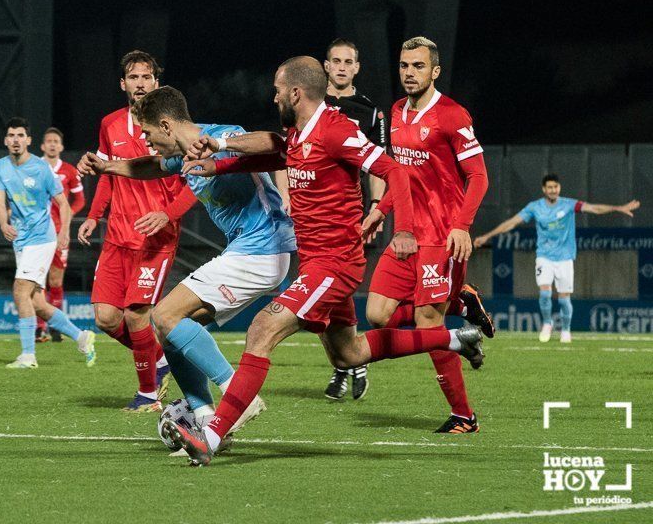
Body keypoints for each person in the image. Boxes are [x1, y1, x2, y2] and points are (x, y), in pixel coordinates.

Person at [165, 56, 485, 466]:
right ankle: (456, 338)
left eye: (278, 89)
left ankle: (210, 436)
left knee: (263, 330)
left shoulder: (335, 130)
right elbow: (277, 154)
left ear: (295, 93)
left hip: (334, 264)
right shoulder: (297, 132)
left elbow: (394, 170)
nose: (274, 95)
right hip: (316, 262)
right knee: (348, 354)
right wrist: (218, 160)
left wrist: (402, 229)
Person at [78, 85, 296, 439]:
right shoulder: (182, 153)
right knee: (170, 332)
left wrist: (222, 147)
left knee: (161, 314)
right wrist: (109, 167)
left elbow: (274, 144)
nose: (147, 141)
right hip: (251, 252)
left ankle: (240, 395)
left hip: (262, 249)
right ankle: (204, 417)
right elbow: (152, 166)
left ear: (166, 125)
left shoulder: (219, 135)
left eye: (148, 133)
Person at [359, 36, 491, 434]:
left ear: (434, 71)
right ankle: (460, 305)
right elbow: (403, 178)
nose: (409, 73)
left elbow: (479, 177)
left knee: (426, 324)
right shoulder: (396, 112)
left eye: (418, 66)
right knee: (376, 314)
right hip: (406, 234)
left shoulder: (452, 115)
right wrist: (380, 211)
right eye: (404, 66)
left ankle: (464, 417)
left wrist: (462, 225)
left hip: (440, 236)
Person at [77, 51, 197, 412]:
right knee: (106, 318)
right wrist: (93, 216)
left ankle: (148, 393)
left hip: (155, 241)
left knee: (136, 315)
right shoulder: (110, 124)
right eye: (134, 77)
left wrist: (168, 214)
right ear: (123, 84)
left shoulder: (171, 127)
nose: (141, 83)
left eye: (147, 77)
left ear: (157, 83)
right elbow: (108, 173)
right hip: (117, 238)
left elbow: (197, 181)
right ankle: (159, 360)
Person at [474, 174, 640, 343]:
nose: (553, 190)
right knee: (545, 293)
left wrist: (618, 208)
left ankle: (566, 330)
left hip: (565, 257)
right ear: (544, 189)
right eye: (550, 187)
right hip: (544, 256)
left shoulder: (569, 205)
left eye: (556, 187)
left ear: (559, 188)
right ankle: (547, 323)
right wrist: (487, 236)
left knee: (563, 298)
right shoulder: (535, 207)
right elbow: (511, 223)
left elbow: (594, 208)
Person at [315, 38, 390, 401]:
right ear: (325, 66)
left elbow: (378, 162)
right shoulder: (311, 104)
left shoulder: (370, 112)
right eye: (336, 61)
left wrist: (375, 206)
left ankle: (347, 363)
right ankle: (349, 363)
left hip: (347, 214)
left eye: (349, 61)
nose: (342, 66)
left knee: (335, 290)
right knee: (324, 294)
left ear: (357, 68)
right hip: (310, 215)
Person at [0, 117, 93, 368]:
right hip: (21, 240)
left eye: (20, 136)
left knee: (19, 291)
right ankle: (81, 336)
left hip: (41, 237)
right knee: (37, 303)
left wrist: (65, 231)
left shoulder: (40, 169)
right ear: (6, 140)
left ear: (28, 140)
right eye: (11, 136)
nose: (15, 140)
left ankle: (28, 356)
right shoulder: (0, 166)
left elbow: (64, 204)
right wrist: (4, 224)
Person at [35, 127, 86, 343]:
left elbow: (80, 200)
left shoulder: (69, 171)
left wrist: (67, 217)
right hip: (36, 232)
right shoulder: (33, 167)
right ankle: (39, 329)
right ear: (43, 146)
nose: (53, 144)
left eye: (56, 141)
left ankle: (55, 327)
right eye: (49, 141)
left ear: (61, 146)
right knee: (37, 279)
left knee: (55, 280)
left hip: (58, 232)